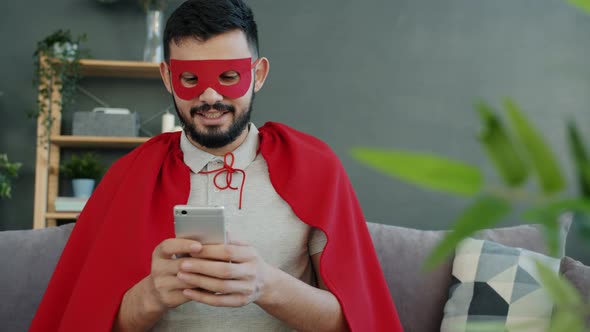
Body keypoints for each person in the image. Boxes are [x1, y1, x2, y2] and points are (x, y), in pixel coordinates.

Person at [30, 1, 403, 331]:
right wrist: (151, 295)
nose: (210, 96)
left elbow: (353, 322)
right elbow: (82, 320)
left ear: (257, 74)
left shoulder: (316, 167)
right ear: (167, 78)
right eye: (190, 79)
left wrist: (266, 285)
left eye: (228, 77)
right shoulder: (128, 177)